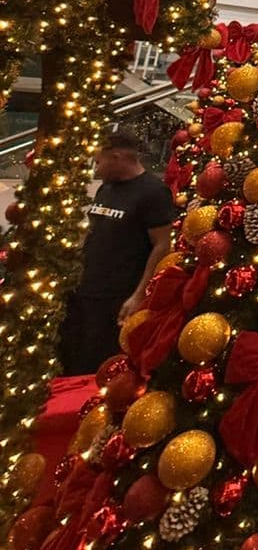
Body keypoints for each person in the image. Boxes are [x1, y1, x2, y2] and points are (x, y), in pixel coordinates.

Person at [59, 128, 176, 375]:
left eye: (99, 161)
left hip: (118, 297)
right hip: (87, 291)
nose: (96, 169)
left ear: (117, 157)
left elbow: (162, 245)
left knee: (99, 364)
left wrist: (139, 294)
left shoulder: (153, 192)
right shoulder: (106, 189)